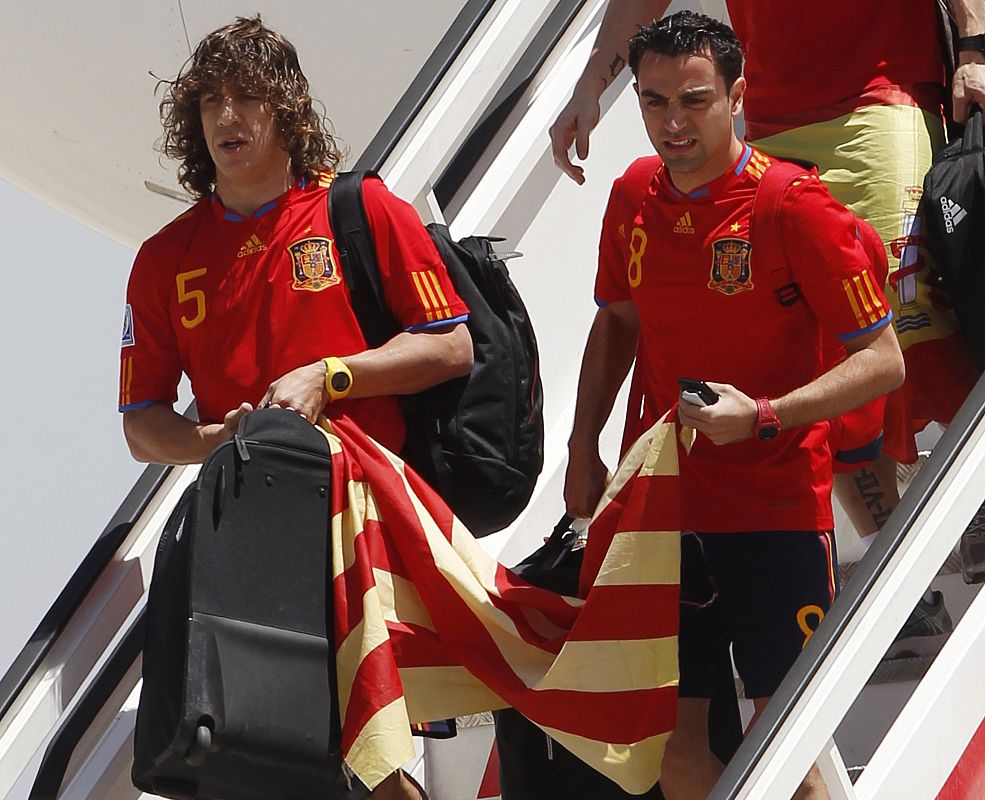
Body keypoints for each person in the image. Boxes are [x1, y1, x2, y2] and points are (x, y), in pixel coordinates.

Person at [552, 0, 985, 644]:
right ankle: (899, 571)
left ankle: (970, 502)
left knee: (909, 328)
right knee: (813, 364)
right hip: (772, 119)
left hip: (879, 101)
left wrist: (975, 47)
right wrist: (591, 84)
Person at [118, 16, 473, 800]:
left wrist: (330, 377)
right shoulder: (164, 259)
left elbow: (450, 347)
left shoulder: (361, 210)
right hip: (247, 541)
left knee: (371, 762)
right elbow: (143, 425)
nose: (227, 119)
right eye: (211, 102)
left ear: (286, 111)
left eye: (247, 98)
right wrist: (221, 435)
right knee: (258, 762)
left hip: (363, 526)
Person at [563, 13, 904, 799]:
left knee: (792, 758)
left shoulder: (794, 207)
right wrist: (582, 449)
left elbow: (881, 361)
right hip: (661, 512)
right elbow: (616, 320)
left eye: (693, 100)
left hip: (772, 511)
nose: (672, 123)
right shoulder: (629, 194)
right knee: (670, 753)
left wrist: (762, 414)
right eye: (653, 103)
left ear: (737, 95)